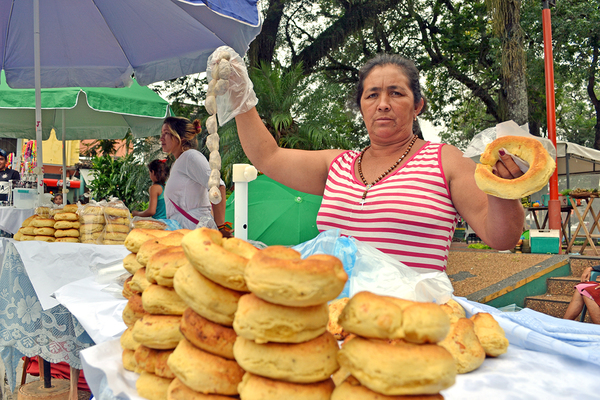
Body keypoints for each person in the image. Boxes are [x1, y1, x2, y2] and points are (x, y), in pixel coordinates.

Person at [214, 48, 525, 271]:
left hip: (411, 322)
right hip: (336, 317)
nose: (383, 104)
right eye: (372, 94)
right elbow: (268, 156)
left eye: (397, 93)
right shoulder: (336, 165)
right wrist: (243, 98)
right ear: (361, 106)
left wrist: (504, 191)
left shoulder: (445, 161)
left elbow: (502, 238)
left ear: (417, 105)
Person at [160, 116, 228, 233]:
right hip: (185, 229)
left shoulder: (191, 156)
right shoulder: (179, 162)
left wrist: (221, 227)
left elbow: (217, 186)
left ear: (180, 137)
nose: (161, 138)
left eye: (166, 133)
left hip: (194, 230)